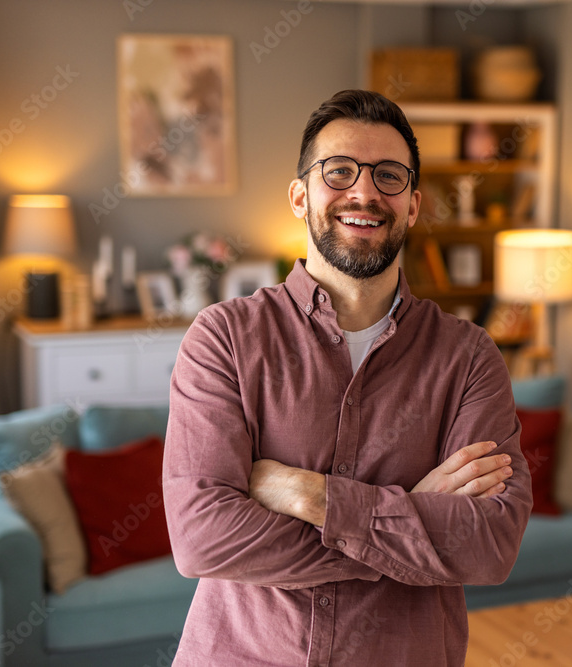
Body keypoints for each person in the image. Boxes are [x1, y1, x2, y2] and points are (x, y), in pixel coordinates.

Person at [163, 89, 533, 666]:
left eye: (389, 176)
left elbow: (489, 543)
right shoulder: (224, 338)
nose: (364, 192)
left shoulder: (469, 357)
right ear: (299, 195)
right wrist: (406, 517)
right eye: (338, 172)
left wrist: (306, 493)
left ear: (413, 204)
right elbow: (201, 539)